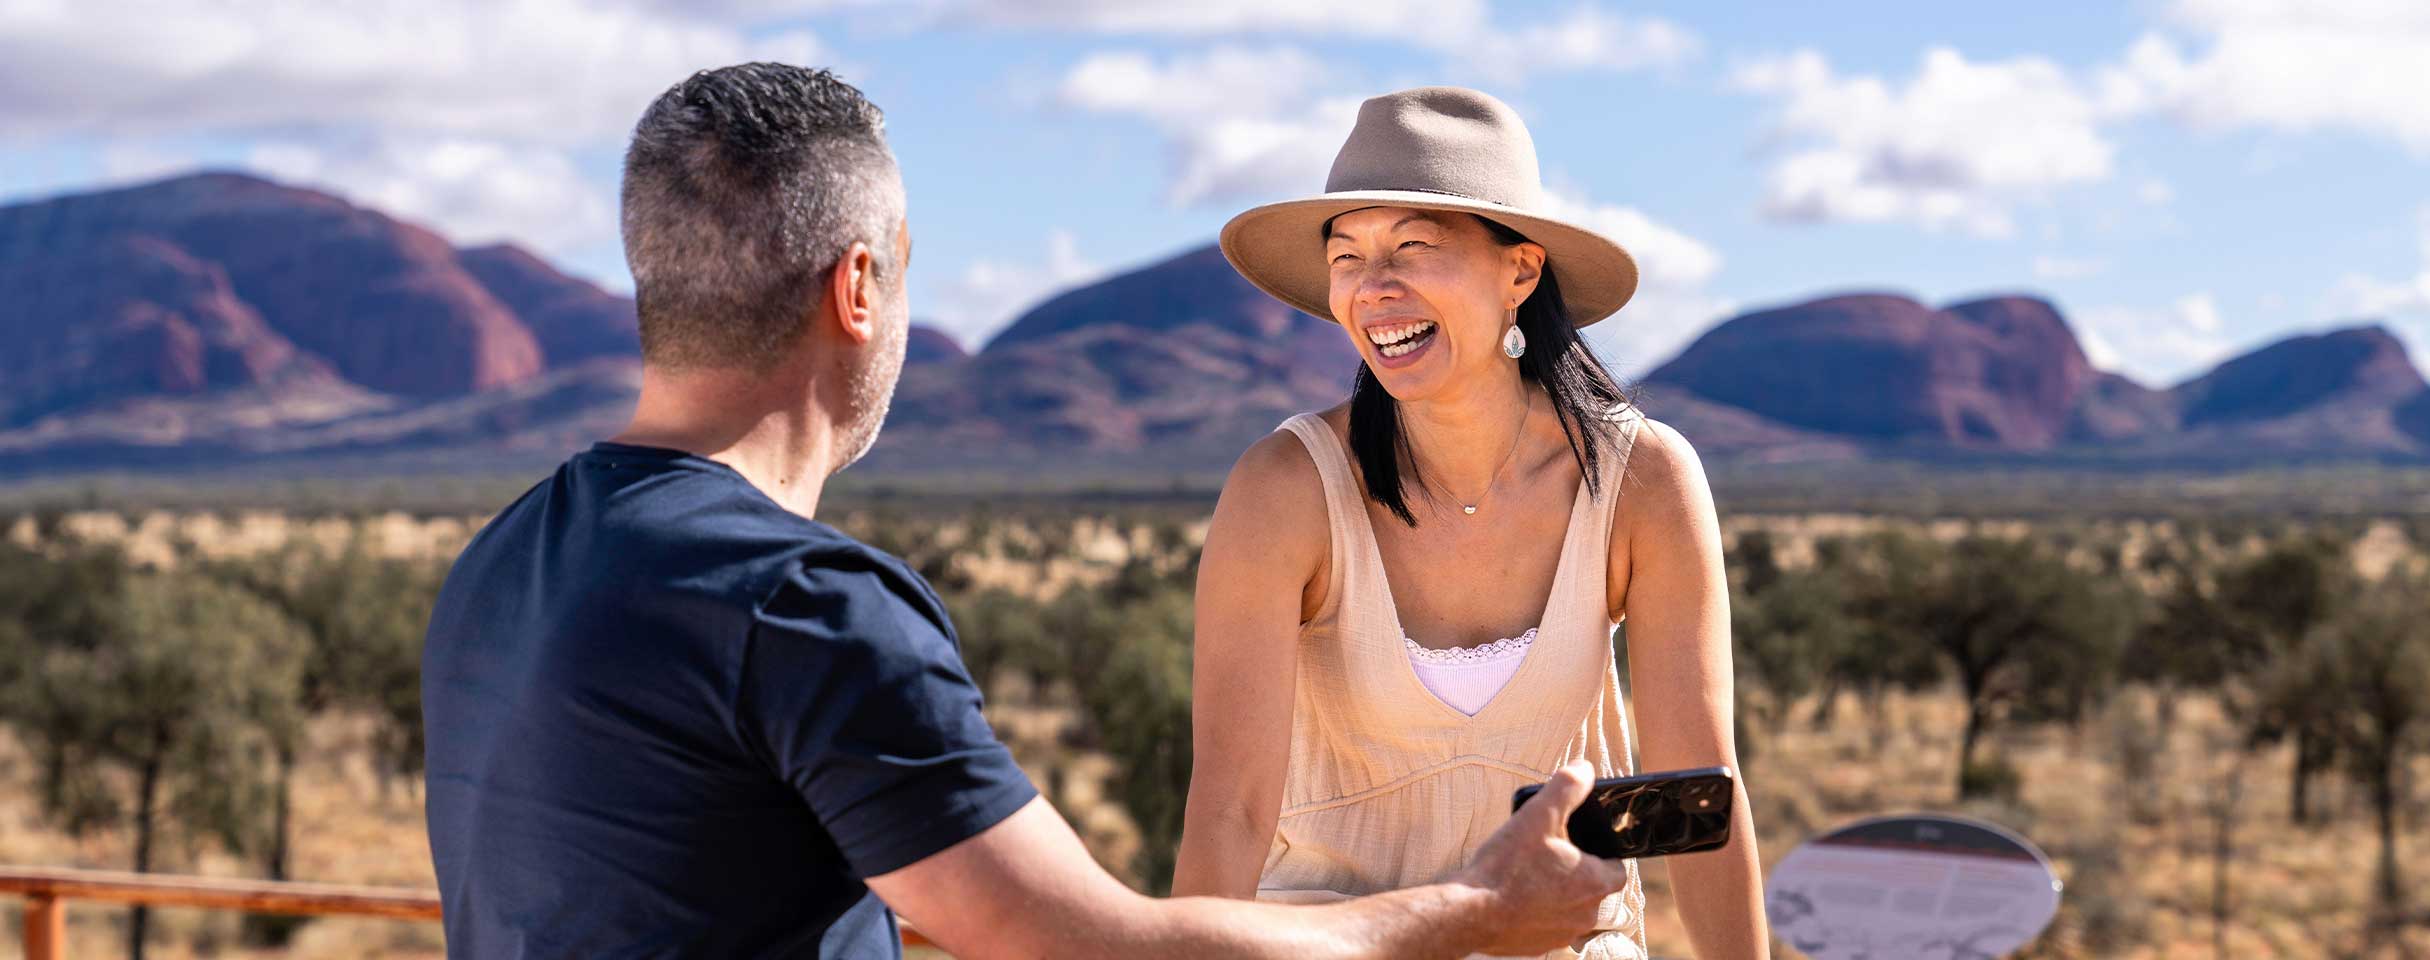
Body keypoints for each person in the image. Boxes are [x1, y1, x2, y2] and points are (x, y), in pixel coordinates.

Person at [421, 63, 1627, 959]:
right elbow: (1085, 943)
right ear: (857, 286)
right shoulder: (802, 609)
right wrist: (1482, 907)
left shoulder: (505, 556)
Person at [1172, 86, 1772, 959]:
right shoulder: (1286, 489)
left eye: (1413, 246)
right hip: (1331, 944)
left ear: (1520, 273)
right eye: (1348, 257)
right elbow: (1228, 809)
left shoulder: (1642, 481)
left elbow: (1700, 799)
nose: (1374, 289)